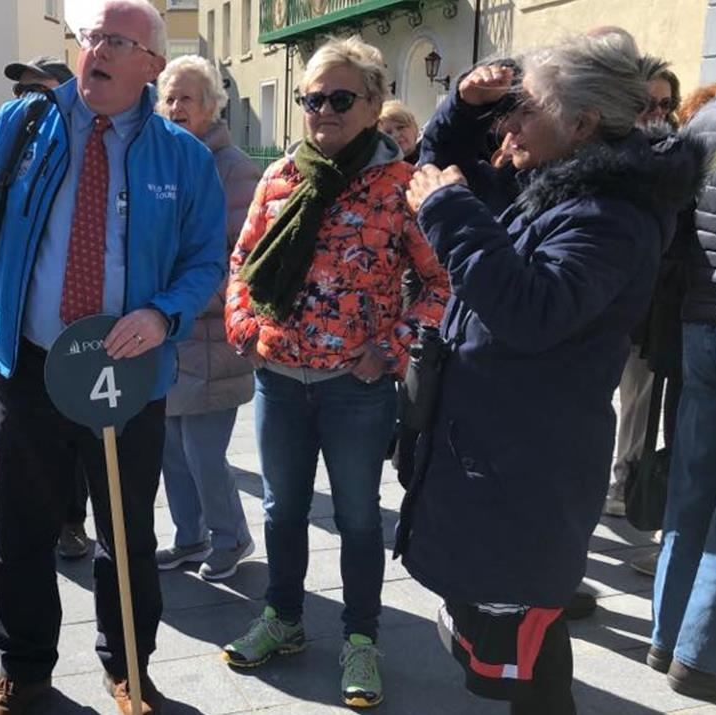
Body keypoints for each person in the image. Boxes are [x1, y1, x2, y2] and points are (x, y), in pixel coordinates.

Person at [397, 34, 704, 715]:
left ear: (582, 123)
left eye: (523, 109)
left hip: (526, 467)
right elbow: (443, 172)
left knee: (529, 662)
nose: (506, 125)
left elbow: (531, 310)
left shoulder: (609, 215)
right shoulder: (566, 185)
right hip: (502, 454)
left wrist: (447, 214)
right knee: (518, 653)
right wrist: (459, 109)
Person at [0, 1, 226, 713]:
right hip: (29, 364)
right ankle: (23, 671)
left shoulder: (181, 155)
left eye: (116, 41)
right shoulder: (24, 124)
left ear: (151, 64)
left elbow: (206, 259)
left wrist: (162, 314)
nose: (95, 48)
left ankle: (130, 670)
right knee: (21, 531)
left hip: (126, 373)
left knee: (126, 531)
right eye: (91, 35)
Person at [223, 35, 449, 708]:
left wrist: (395, 345)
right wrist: (246, 329)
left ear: (374, 103)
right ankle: (284, 619)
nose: (322, 111)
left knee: (355, 518)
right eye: (311, 98)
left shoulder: (401, 185)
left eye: (339, 99)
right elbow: (242, 264)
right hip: (280, 381)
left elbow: (441, 283)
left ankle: (360, 638)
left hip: (357, 388)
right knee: (281, 509)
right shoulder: (280, 177)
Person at [648, 85, 716, 707]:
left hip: (700, 321)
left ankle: (667, 633)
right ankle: (704, 654)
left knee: (693, 487)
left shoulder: (712, 114)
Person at [0, 55, 91, 562]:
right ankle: (7, 526)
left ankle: (71, 523)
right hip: (16, 327)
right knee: (12, 445)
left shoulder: (86, 149)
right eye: (20, 92)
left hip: (81, 332)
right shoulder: (13, 139)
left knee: (74, 439)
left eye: (37, 91)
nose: (24, 100)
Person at [152, 55, 260, 581]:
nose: (175, 108)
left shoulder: (235, 170)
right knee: (172, 448)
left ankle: (232, 537)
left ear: (213, 107)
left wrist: (181, 298)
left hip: (212, 339)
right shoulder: (159, 162)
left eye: (187, 98)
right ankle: (190, 537)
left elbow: (245, 265)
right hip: (169, 338)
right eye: (169, 97)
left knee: (203, 453)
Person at [605, 61, 684, 520]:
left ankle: (624, 482)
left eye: (664, 104)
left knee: (637, 397)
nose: (655, 113)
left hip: (648, 301)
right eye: (646, 103)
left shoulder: (674, 158)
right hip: (598, 298)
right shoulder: (603, 148)